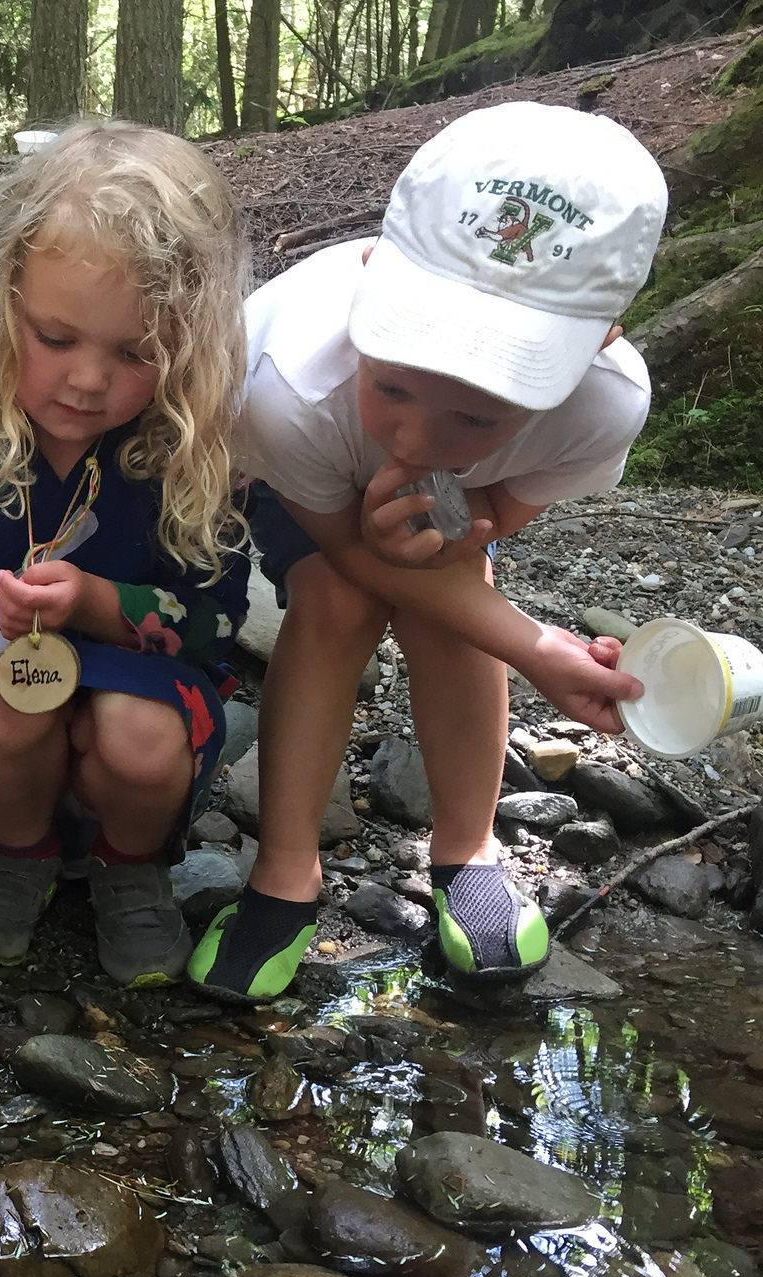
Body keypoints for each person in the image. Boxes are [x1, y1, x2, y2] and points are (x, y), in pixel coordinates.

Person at [188, 102, 666, 1002]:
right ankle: (285, 871)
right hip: (293, 474)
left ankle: (469, 850)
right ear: (372, 272)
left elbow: (502, 510)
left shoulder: (602, 402)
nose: (415, 434)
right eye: (396, 382)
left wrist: (464, 520)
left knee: (454, 597)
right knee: (338, 596)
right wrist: (537, 648)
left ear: (597, 341)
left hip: (418, 494)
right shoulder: (291, 380)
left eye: (479, 413)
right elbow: (341, 541)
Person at [0, 117, 251, 982]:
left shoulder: (190, 449)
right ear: (5, 302)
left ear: (188, 345)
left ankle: (130, 866)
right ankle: (20, 852)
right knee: (5, 706)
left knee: (141, 736)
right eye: (57, 338)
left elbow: (216, 628)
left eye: (136, 351)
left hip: (142, 701)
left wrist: (92, 603)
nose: (87, 378)